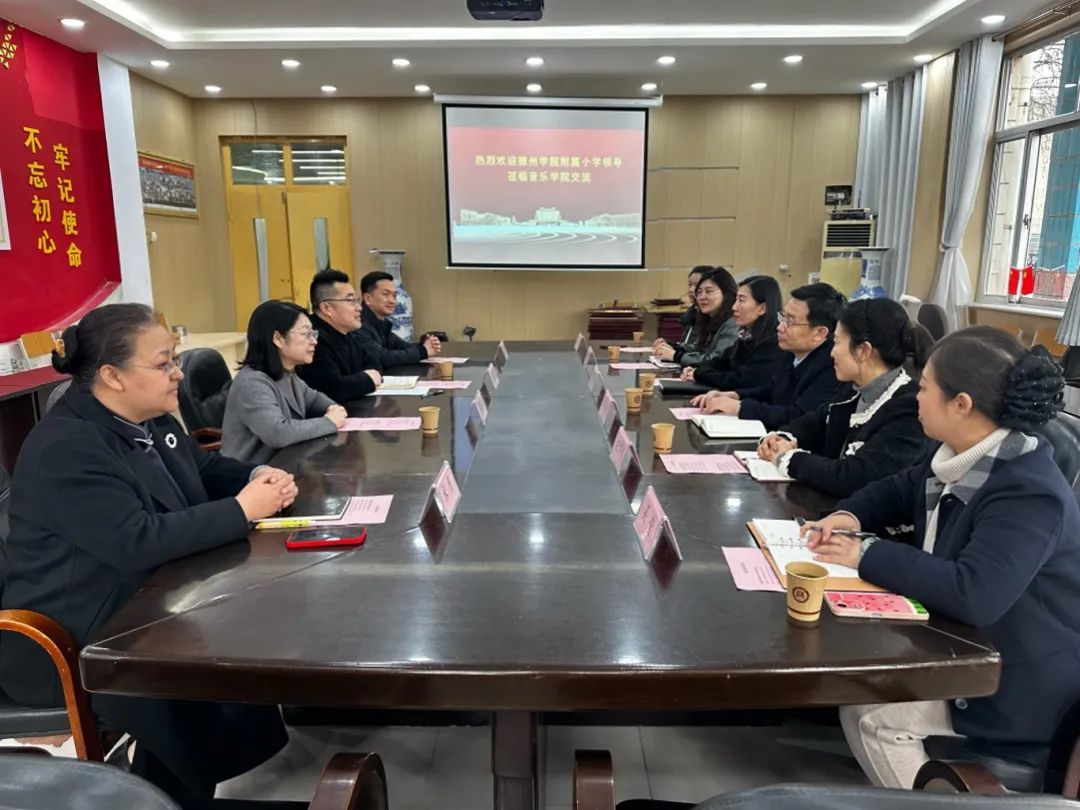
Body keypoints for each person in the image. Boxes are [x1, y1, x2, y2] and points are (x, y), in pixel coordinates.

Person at [0, 303, 297, 809]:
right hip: (73, 635)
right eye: (163, 364)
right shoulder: (67, 447)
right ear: (112, 375)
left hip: (142, 600)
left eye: (175, 359)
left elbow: (203, 470)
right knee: (193, 670)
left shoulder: (149, 418)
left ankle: (177, 787)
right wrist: (242, 510)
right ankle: (162, 796)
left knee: (242, 630)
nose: (177, 373)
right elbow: (136, 539)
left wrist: (253, 478)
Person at [806, 328, 1080, 790]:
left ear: (962, 404)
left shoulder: (1029, 491)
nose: (916, 394)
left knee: (875, 716)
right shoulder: (959, 453)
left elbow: (973, 593)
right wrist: (849, 515)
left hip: (1013, 680)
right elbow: (899, 489)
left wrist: (866, 552)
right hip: (962, 642)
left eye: (926, 386)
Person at [758, 298, 934, 496]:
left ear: (863, 350)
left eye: (836, 342)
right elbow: (813, 424)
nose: (832, 353)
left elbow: (853, 477)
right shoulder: (852, 389)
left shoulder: (909, 409)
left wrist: (788, 458)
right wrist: (781, 438)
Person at [691, 282, 845, 429]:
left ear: (819, 333)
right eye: (782, 317)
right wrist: (735, 395)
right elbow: (772, 390)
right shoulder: (792, 351)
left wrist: (741, 407)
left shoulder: (832, 366)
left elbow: (798, 416)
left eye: (790, 321)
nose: (780, 327)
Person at [222, 300, 347, 464]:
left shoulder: (286, 373)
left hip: (284, 465)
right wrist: (328, 422)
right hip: (252, 473)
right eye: (305, 334)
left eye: (313, 334)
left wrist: (333, 408)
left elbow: (313, 398)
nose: (314, 341)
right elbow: (278, 433)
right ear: (278, 339)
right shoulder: (252, 383)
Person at [684, 275, 785, 390]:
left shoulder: (774, 342)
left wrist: (700, 374)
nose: (734, 307)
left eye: (741, 300)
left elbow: (743, 380)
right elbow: (722, 361)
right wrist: (696, 370)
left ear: (762, 308)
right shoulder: (746, 335)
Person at [298, 269, 383, 402]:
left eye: (357, 300)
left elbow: (374, 366)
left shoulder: (347, 333)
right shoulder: (312, 339)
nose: (359, 307)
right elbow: (333, 389)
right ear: (326, 308)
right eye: (351, 301)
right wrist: (366, 379)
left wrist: (362, 379)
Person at [653, 267, 739, 367]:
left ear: (726, 294)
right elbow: (699, 348)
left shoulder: (733, 323)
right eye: (699, 292)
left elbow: (717, 360)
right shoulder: (710, 319)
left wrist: (676, 356)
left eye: (709, 291)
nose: (702, 297)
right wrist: (673, 347)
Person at [358, 270, 441, 369]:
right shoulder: (358, 324)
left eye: (394, 295)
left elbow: (402, 346)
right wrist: (423, 351)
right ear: (368, 298)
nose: (392, 301)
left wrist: (424, 345)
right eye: (386, 294)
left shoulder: (381, 323)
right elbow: (382, 358)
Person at [678, 265, 708, 343]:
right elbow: (686, 345)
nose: (691, 290)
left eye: (696, 285)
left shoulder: (710, 316)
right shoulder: (692, 313)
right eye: (690, 285)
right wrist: (670, 345)